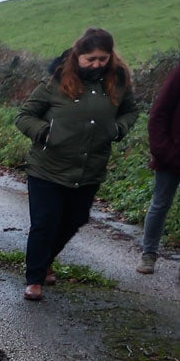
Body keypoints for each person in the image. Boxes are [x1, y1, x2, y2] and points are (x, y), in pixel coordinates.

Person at [15, 28, 138, 301]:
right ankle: (34, 279)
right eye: (90, 59)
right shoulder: (57, 81)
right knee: (45, 222)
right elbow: (25, 116)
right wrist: (45, 133)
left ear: (110, 57)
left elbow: (131, 110)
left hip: (89, 169)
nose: (96, 64)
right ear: (78, 56)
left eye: (102, 59)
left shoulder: (118, 82)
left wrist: (118, 129)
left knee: (75, 219)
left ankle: (45, 259)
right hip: (47, 167)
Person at [139, 60, 180, 276]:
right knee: (161, 203)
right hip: (171, 156)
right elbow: (158, 113)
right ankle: (149, 255)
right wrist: (164, 150)